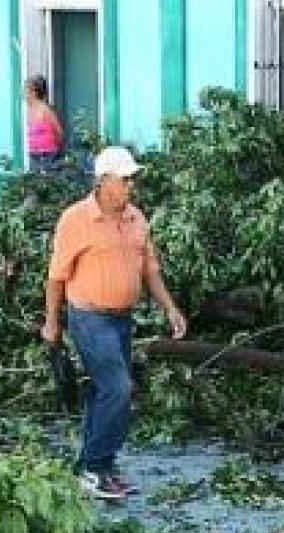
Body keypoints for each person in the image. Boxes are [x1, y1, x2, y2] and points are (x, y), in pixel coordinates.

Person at [42, 146, 189, 501]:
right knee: (120, 389)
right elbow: (56, 277)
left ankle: (96, 468)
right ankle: (95, 468)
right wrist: (52, 323)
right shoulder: (76, 219)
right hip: (89, 317)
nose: (130, 187)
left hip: (122, 319)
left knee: (102, 391)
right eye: (124, 180)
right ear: (104, 180)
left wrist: (170, 308)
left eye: (132, 180)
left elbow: (149, 269)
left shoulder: (136, 218)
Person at [24, 75, 65, 172]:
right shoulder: (28, 110)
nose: (24, 93)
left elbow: (60, 132)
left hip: (47, 154)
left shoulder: (45, 109)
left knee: (47, 182)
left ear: (33, 92)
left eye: (26, 90)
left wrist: (53, 148)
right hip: (33, 153)